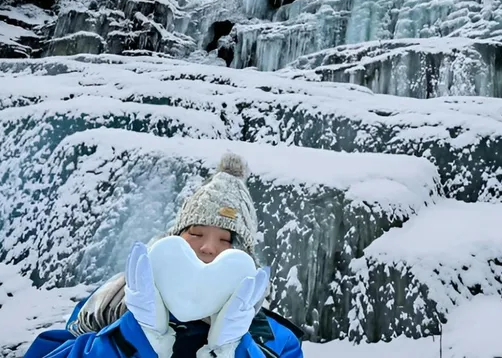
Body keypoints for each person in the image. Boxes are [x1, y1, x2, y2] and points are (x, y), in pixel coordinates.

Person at [23, 153, 304, 358]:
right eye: (195, 233)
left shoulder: (275, 339)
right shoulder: (111, 304)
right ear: (174, 238)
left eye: (225, 240)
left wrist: (234, 350)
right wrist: (129, 338)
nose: (207, 247)